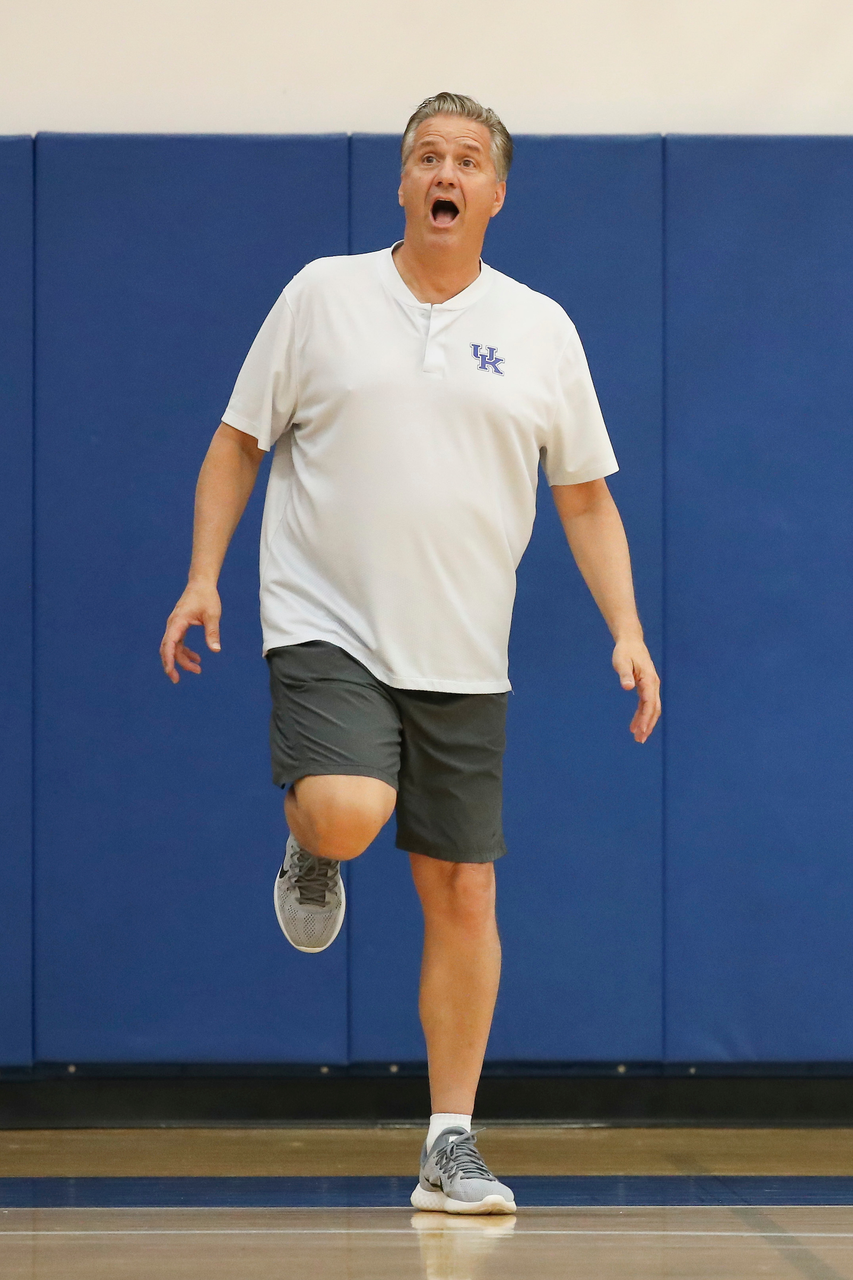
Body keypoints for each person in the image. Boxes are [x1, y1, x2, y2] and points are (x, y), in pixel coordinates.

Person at [160, 91, 661, 1215]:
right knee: (344, 807)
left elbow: (584, 498)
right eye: (425, 154)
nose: (444, 170)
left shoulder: (541, 329)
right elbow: (237, 442)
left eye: (466, 159)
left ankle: (448, 1142)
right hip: (324, 618)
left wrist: (624, 629)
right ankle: (312, 842)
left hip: (464, 650)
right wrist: (203, 575)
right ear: (402, 182)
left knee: (464, 889)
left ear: (492, 193)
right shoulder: (322, 297)